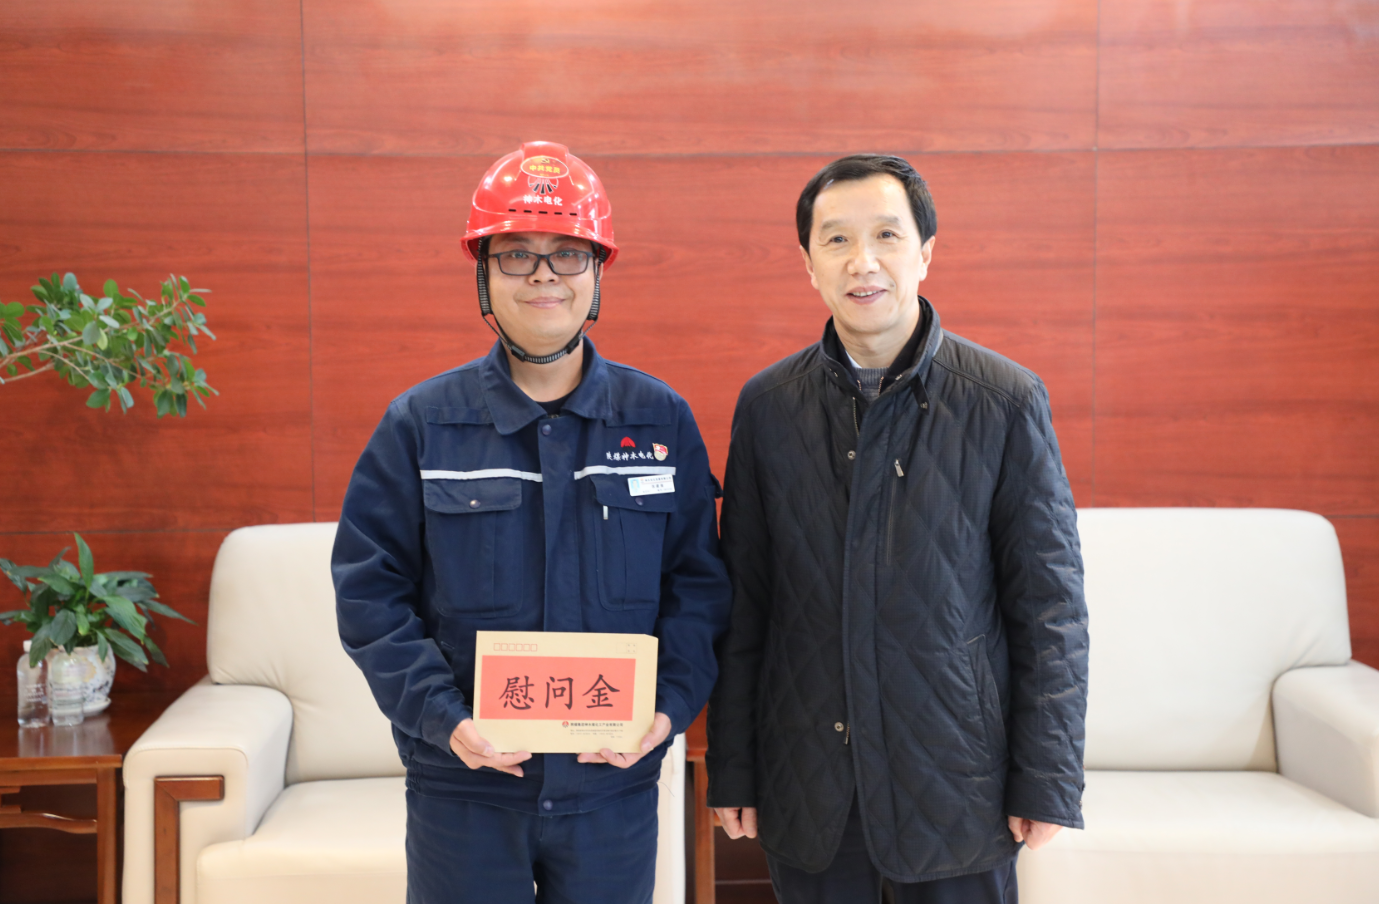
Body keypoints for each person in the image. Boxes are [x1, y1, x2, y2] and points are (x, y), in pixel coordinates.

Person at [332, 141, 732, 904]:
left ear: (597, 271)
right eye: (516, 254)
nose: (544, 275)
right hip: (464, 790)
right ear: (483, 273)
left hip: (610, 789)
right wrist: (445, 720)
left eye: (567, 253)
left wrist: (667, 709)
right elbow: (369, 594)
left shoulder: (658, 420)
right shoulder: (421, 425)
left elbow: (698, 589)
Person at [706, 154, 1088, 904]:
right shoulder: (768, 407)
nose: (863, 261)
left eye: (886, 234)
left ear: (925, 252)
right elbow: (745, 604)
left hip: (958, 777)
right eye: (837, 240)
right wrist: (734, 768)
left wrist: (1047, 777)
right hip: (808, 777)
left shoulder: (1003, 400)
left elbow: (1050, 608)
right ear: (808, 263)